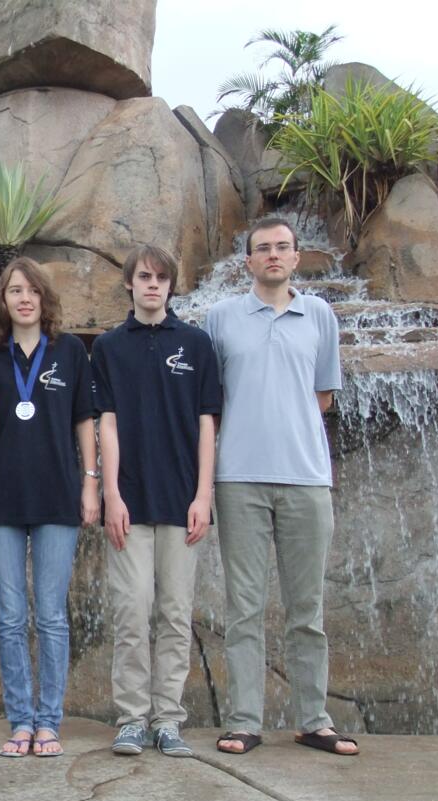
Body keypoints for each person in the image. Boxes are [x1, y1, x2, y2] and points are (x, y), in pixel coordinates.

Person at [204, 217, 357, 756]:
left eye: (282, 248)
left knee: (306, 609)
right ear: (247, 262)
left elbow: (323, 397)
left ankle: (314, 720)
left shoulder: (319, 315)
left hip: (306, 480)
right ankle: (244, 720)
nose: (272, 255)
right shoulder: (220, 318)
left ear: (296, 257)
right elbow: (208, 403)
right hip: (238, 479)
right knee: (243, 607)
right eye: (262, 249)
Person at [92, 244, 221, 758]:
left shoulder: (196, 344)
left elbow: (207, 423)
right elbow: (107, 422)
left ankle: (168, 719)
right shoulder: (109, 347)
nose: (153, 285)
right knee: (131, 611)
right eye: (144, 276)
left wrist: (203, 496)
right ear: (130, 283)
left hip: (182, 500)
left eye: (162, 278)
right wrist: (111, 494)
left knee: (173, 613)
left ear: (171, 285)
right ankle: (131, 719)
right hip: (130, 504)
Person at [0, 257, 98, 758]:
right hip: (3, 497)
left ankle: (49, 723)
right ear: (3, 301)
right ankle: (19, 721)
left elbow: (83, 420)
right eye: (14, 291)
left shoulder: (69, 354)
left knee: (51, 617)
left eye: (32, 291)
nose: (23, 298)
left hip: (58, 494)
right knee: (10, 617)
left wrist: (91, 483)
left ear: (44, 299)